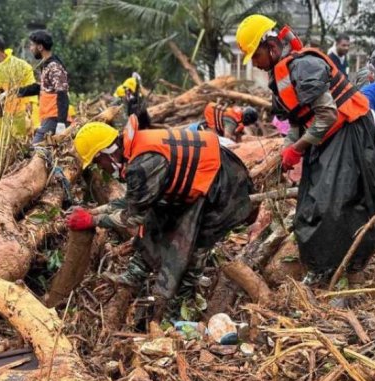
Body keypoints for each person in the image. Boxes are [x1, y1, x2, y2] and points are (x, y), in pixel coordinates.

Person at [236, 14, 375, 285]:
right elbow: (297, 120)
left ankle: (351, 270)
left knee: (336, 204)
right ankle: (323, 267)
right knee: (309, 204)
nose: (255, 64)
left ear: (271, 47)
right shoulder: (280, 75)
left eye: (255, 56)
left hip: (350, 131)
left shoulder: (305, 66)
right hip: (327, 137)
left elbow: (327, 115)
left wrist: (297, 148)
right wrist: (286, 153)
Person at [66, 116, 254, 323]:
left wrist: (92, 222)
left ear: (106, 154)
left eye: (96, 162)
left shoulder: (143, 164)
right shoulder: (134, 151)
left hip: (224, 188)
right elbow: (133, 202)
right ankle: (135, 274)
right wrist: (91, 212)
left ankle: (178, 313)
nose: (100, 168)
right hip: (201, 182)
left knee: (193, 250)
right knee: (157, 217)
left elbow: (133, 216)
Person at [14, 30, 70, 145]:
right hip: (48, 117)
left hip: (54, 118)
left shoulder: (54, 67)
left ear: (40, 47)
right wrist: (15, 92)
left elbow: (62, 93)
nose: (30, 48)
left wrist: (61, 122)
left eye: (32, 45)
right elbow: (40, 87)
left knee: (36, 148)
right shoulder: (46, 65)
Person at [0, 35, 37, 142]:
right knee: (0, 139)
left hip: (18, 109)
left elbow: (30, 82)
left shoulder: (19, 65)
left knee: (20, 139)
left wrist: (30, 101)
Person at [190, 103, 259, 143]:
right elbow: (227, 137)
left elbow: (240, 134)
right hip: (198, 132)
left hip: (203, 126)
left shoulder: (236, 116)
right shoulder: (231, 121)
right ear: (247, 119)